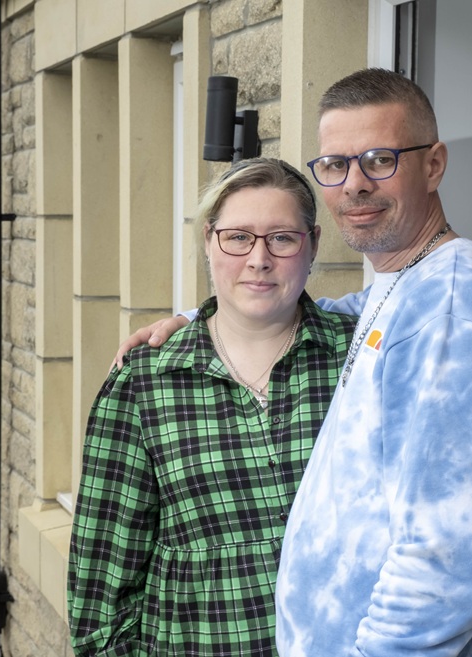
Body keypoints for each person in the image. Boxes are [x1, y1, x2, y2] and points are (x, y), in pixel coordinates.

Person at [115, 68, 472, 656]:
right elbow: (324, 311)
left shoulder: (447, 307)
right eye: (334, 165)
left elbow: (442, 555)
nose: (353, 185)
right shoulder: (402, 288)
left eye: (380, 159)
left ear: (433, 165)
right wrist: (200, 318)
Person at [67, 158, 359, 656]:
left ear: (312, 244)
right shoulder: (145, 385)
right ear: (209, 241)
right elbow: (101, 598)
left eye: (282, 238)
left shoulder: (363, 360)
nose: (259, 259)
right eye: (238, 237)